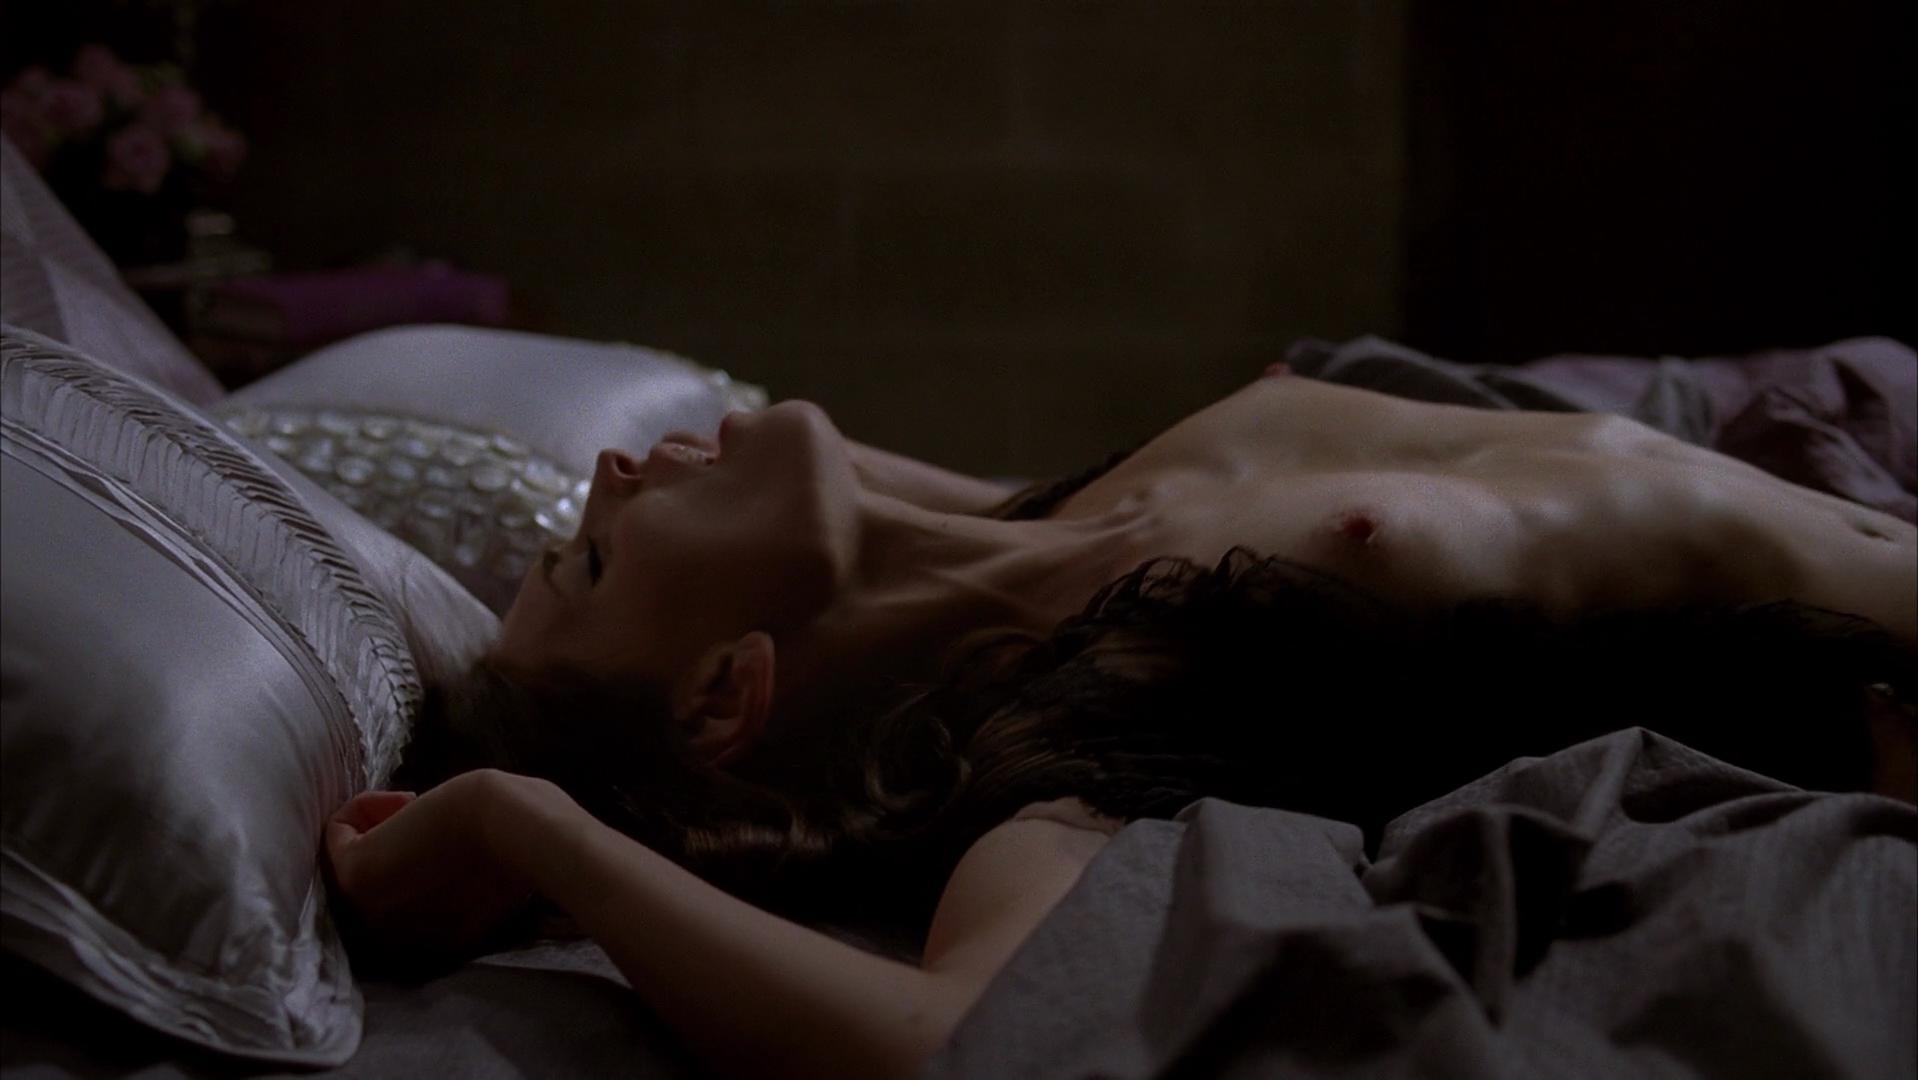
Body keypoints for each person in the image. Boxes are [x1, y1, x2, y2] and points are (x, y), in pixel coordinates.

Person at [325, 369, 1918, 1079]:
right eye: (596, 562)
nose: (605, 477)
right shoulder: (1082, 733)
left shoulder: (1043, 514)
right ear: (723, 693)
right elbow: (938, 1039)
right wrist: (534, 827)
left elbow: (878, 527)